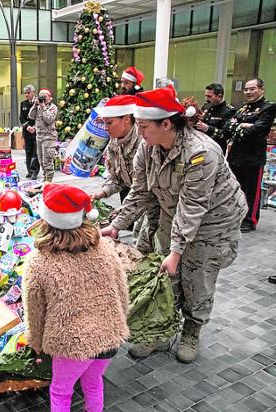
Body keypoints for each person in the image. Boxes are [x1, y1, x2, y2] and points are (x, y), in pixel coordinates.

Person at [101, 85, 247, 363]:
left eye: (144, 126)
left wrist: (176, 251)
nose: (140, 132)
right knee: (168, 277)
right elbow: (141, 191)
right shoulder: (148, 147)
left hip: (213, 222)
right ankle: (162, 331)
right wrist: (117, 225)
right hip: (174, 213)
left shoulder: (201, 153)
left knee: (198, 277)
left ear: (166, 124)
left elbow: (193, 206)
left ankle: (192, 329)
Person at [23, 183, 129, 412]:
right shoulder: (104, 248)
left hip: (71, 343)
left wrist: (36, 342)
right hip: (108, 338)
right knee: (93, 382)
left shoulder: (39, 261)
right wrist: (118, 323)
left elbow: (35, 309)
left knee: (61, 392)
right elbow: (122, 292)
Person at [91, 95, 159, 254]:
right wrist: (101, 193)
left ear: (126, 120)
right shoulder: (114, 142)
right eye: (105, 123)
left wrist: (118, 220)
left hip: (155, 201)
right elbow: (117, 177)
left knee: (149, 247)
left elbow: (144, 190)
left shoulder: (145, 142)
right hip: (139, 201)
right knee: (140, 242)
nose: (106, 127)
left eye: (110, 122)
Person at [223, 78, 276, 233]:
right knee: (234, 188)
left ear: (261, 89)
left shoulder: (268, 108)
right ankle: (235, 216)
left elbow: (258, 130)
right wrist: (243, 126)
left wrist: (239, 127)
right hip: (236, 155)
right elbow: (227, 126)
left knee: (251, 190)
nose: (248, 92)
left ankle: (249, 220)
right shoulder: (242, 109)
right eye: (246, 89)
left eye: (252, 89)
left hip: (253, 156)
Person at [194, 83, 236, 154]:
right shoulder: (206, 106)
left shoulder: (229, 111)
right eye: (206, 96)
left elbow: (226, 135)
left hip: (216, 148)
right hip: (201, 145)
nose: (206, 99)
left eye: (209, 96)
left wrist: (207, 128)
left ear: (219, 96)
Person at [28, 88, 58, 182]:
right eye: (41, 97)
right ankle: (45, 180)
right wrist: (35, 104)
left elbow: (49, 119)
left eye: (45, 97)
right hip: (39, 137)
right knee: (41, 161)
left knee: (47, 162)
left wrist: (43, 107)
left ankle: (48, 182)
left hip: (49, 138)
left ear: (50, 98)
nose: (43, 99)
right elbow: (31, 116)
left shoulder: (53, 108)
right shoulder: (37, 107)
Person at [20, 84, 39, 179]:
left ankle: (35, 171)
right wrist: (27, 127)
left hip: (36, 131)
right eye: (25, 93)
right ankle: (29, 171)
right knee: (28, 151)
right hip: (27, 131)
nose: (26, 95)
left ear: (33, 92)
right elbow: (21, 117)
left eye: (28, 93)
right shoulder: (23, 103)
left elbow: (40, 116)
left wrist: (34, 127)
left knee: (35, 152)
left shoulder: (39, 103)